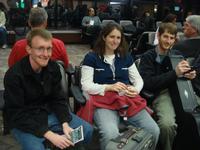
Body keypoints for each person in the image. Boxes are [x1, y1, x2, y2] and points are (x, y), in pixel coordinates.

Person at [4, 28, 93, 150]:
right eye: (40, 48)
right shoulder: (14, 75)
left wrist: (65, 123)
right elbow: (16, 114)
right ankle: (52, 142)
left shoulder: (53, 68)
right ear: (29, 49)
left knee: (87, 131)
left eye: (49, 49)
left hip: (49, 114)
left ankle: (57, 144)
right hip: (25, 121)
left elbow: (58, 99)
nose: (46, 54)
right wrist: (50, 135)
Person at [80, 23, 160, 150]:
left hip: (126, 99)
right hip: (103, 103)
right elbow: (86, 85)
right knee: (110, 134)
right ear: (104, 37)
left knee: (154, 130)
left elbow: (138, 80)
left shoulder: (126, 57)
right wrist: (109, 87)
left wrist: (136, 89)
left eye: (118, 37)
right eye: (112, 37)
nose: (115, 41)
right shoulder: (91, 58)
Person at [138, 22, 196, 150]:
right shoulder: (148, 56)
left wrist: (190, 75)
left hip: (180, 91)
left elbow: (183, 75)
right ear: (158, 36)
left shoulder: (177, 55)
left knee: (193, 118)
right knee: (167, 125)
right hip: (162, 93)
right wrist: (175, 73)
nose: (168, 41)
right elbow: (148, 83)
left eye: (171, 38)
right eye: (165, 36)